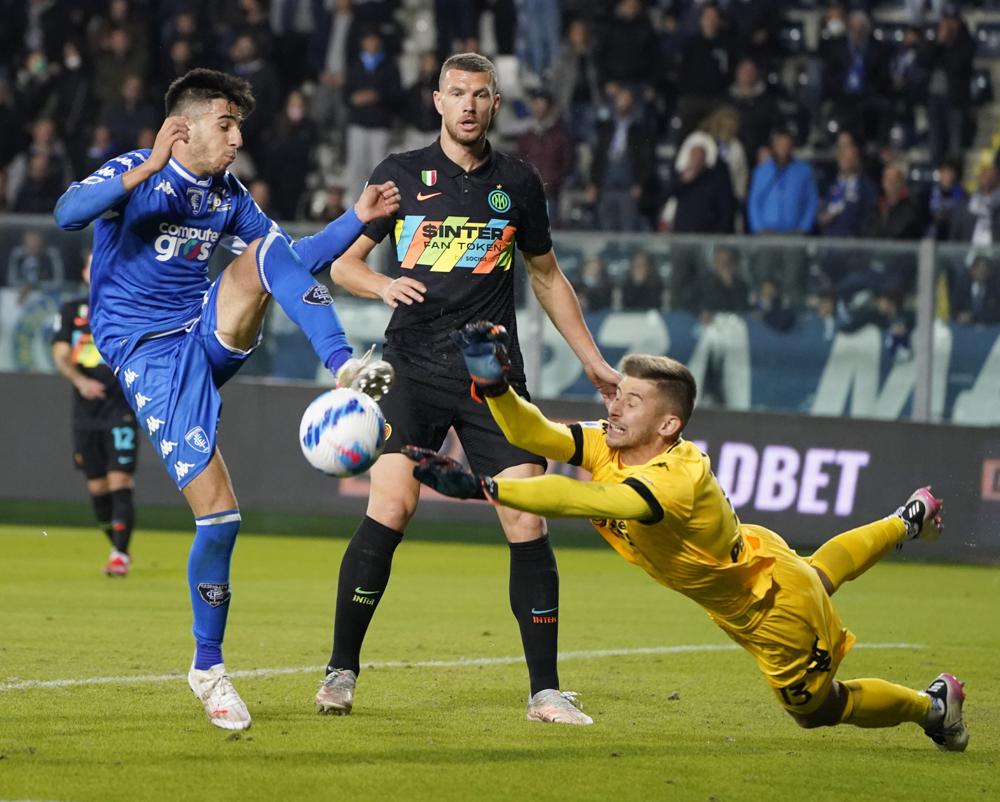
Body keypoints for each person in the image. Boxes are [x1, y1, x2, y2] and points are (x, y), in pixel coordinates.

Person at [406, 321, 969, 752]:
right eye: (617, 393)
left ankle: (933, 707)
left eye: (632, 401)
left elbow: (595, 500)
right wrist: (493, 383)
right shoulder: (614, 440)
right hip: (755, 561)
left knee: (817, 708)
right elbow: (536, 433)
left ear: (668, 424)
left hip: (772, 612)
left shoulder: (678, 475)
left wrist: (490, 489)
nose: (614, 406)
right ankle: (907, 519)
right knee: (817, 574)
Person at [54, 68, 401, 731]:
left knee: (263, 258)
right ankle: (208, 668)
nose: (238, 138)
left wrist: (355, 222)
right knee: (221, 518)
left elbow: (286, 260)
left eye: (239, 124)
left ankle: (342, 364)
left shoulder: (228, 195)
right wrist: (149, 163)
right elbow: (67, 214)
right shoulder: (136, 171)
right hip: (148, 359)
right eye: (226, 123)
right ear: (182, 129)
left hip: (202, 333)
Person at [316, 52, 620, 725]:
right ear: (437, 101)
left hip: (492, 378)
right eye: (457, 93)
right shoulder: (398, 174)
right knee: (391, 507)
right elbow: (343, 265)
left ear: (495, 105)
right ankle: (340, 670)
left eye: (481, 95)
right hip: (410, 369)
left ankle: (545, 692)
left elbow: (546, 277)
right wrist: (381, 283)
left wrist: (595, 362)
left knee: (526, 518)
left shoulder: (519, 182)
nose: (469, 105)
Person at [52, 252, 139, 577]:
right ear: (87, 272)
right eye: (93, 264)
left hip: (120, 407)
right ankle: (119, 545)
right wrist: (81, 381)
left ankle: (119, 554)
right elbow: (60, 354)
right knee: (97, 489)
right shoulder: (72, 310)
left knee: (120, 480)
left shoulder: (127, 306)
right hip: (85, 413)